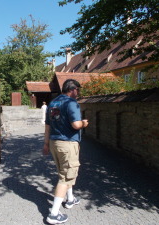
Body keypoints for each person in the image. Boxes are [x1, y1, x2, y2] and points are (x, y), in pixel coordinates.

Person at [43, 79, 89, 224]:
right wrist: (84, 123)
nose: (78, 93)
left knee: (64, 172)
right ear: (73, 89)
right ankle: (53, 214)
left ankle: (70, 199)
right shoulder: (71, 103)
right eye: (78, 90)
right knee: (65, 177)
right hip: (68, 144)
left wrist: (45, 145)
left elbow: (47, 127)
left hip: (54, 143)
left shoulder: (52, 103)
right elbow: (76, 125)